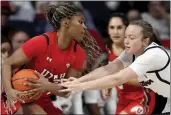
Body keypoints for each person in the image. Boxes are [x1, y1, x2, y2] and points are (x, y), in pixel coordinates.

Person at [1, 2, 100, 115]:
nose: (85, 27)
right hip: (18, 92)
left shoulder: (79, 53)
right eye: (80, 22)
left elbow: (66, 91)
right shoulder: (41, 42)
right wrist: (9, 91)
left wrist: (47, 85)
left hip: (40, 97)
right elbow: (7, 64)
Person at [60, 20, 170, 114]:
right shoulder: (132, 51)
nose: (126, 41)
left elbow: (118, 78)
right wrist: (78, 81)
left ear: (145, 41)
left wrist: (80, 86)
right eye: (126, 36)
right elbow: (108, 69)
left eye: (131, 37)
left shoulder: (153, 54)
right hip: (160, 102)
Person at [100, 13, 156, 114]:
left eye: (119, 27)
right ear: (108, 30)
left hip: (142, 99)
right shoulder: (109, 48)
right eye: (112, 27)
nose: (115, 32)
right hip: (123, 100)